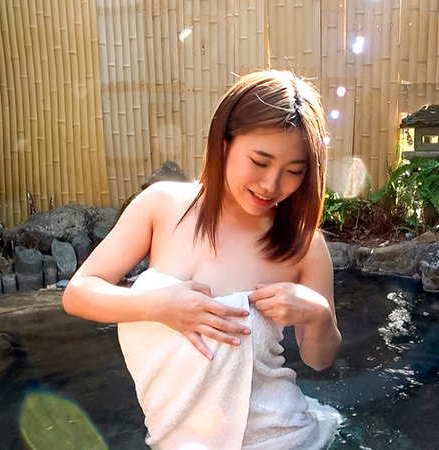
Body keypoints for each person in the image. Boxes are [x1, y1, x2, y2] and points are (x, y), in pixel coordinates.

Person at [62, 69, 342, 449]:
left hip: (282, 438)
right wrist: (157, 306)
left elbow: (319, 361)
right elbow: (78, 293)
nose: (271, 185)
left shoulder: (303, 245)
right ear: (224, 142)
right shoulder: (163, 206)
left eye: (294, 172)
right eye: (259, 162)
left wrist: (318, 314)